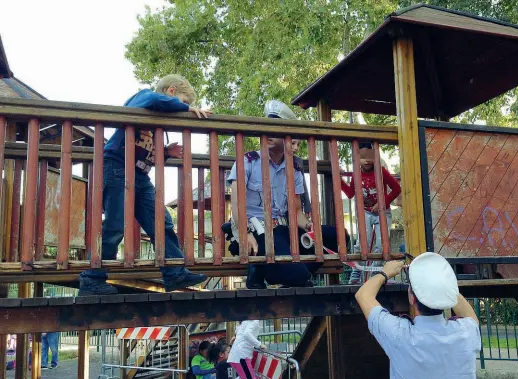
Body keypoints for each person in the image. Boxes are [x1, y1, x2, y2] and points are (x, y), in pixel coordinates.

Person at [79, 74, 211, 295]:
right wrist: (185, 109)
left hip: (139, 175)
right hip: (117, 166)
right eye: (183, 101)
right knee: (115, 225)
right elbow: (152, 101)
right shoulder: (145, 96)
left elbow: (144, 153)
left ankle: (173, 272)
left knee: (162, 221)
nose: (183, 107)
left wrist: (165, 153)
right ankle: (92, 278)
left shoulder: (154, 120)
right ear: (170, 91)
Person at [227, 100, 347, 288]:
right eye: (267, 127)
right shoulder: (247, 161)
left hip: (283, 230)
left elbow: (296, 211)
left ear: (287, 136)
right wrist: (245, 234)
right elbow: (235, 205)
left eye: (275, 128)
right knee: (298, 275)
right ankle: (283, 273)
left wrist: (309, 226)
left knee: (338, 236)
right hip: (257, 230)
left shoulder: (294, 168)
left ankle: (274, 271)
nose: (269, 134)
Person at [355, 252, 481, 379]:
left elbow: (363, 294)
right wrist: (441, 283)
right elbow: (470, 317)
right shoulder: (467, 332)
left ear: (411, 298)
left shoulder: (398, 334)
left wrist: (385, 273)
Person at [341, 142, 401, 284]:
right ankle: (356, 272)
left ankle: (376, 275)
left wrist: (382, 203)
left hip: (382, 212)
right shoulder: (356, 173)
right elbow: (350, 194)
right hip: (365, 213)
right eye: (363, 157)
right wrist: (339, 179)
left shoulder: (381, 172)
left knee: (381, 245)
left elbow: (396, 189)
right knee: (362, 243)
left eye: (370, 156)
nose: (367, 160)